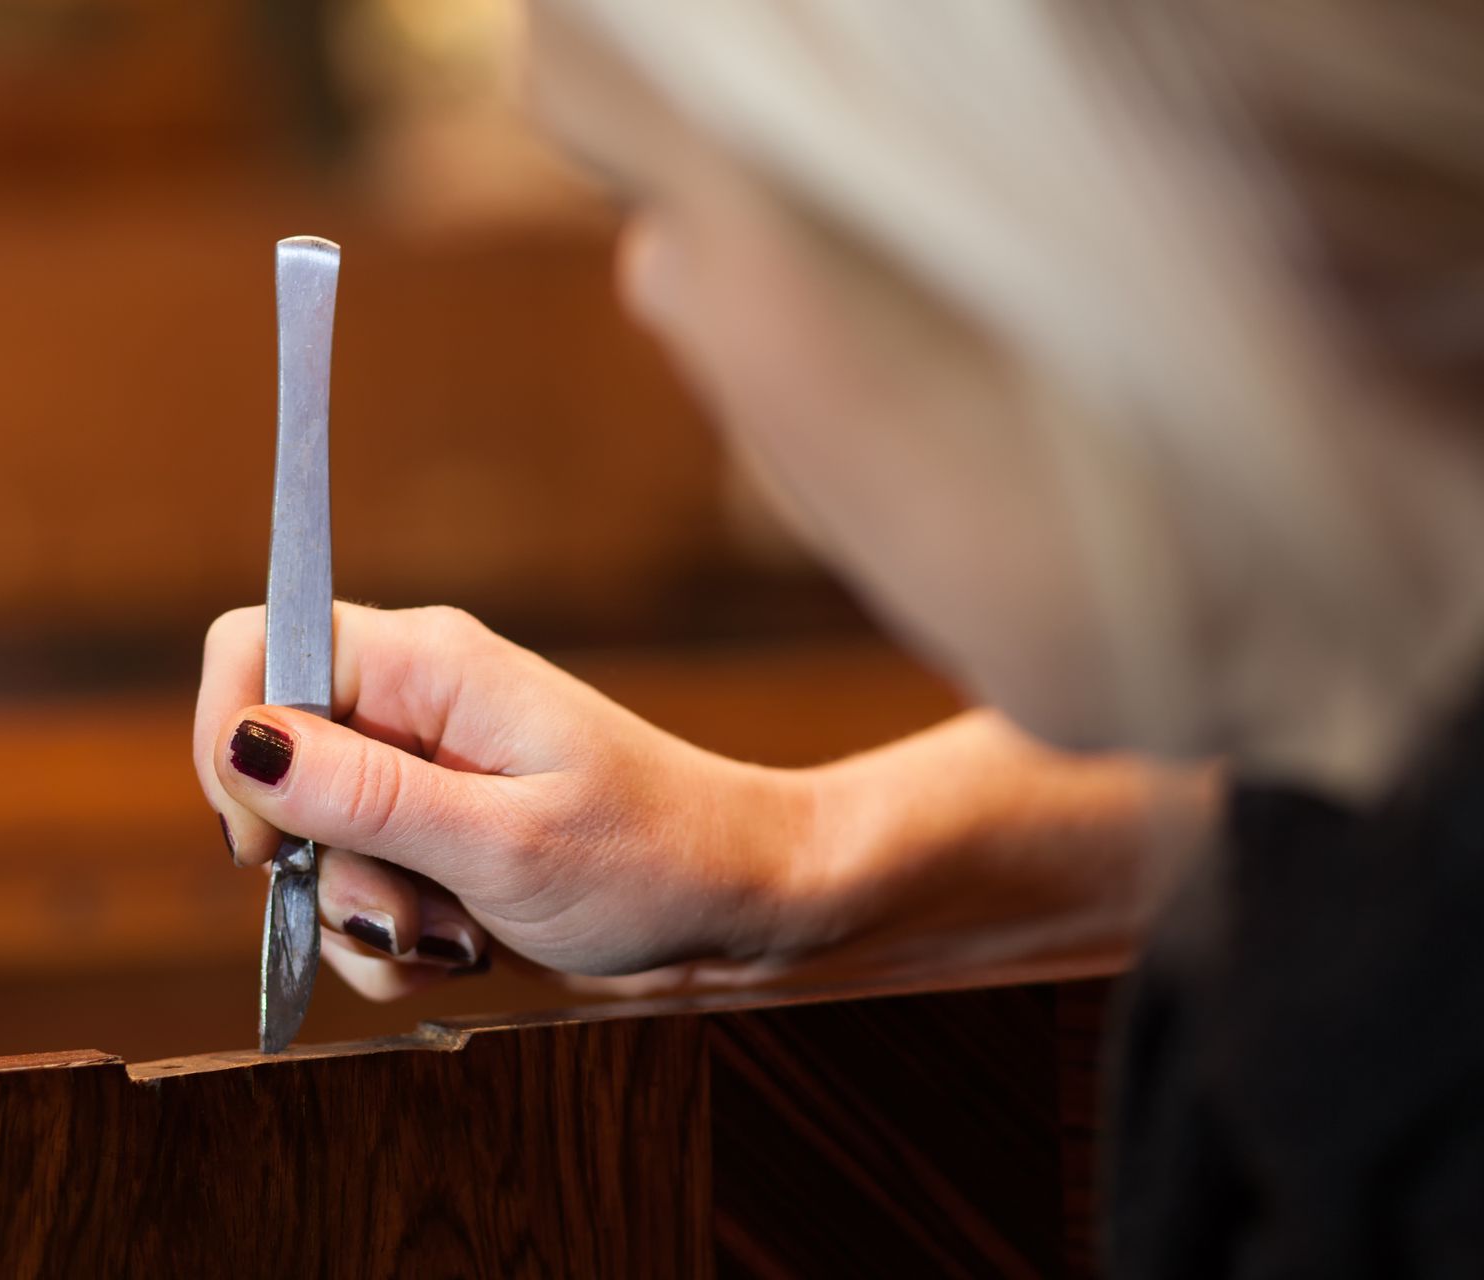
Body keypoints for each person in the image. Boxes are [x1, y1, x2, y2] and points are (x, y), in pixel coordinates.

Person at [197, 3, 1484, 1273]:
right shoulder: (1380, 779)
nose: (651, 294)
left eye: (651, 194)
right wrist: (793, 850)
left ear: (987, 233)